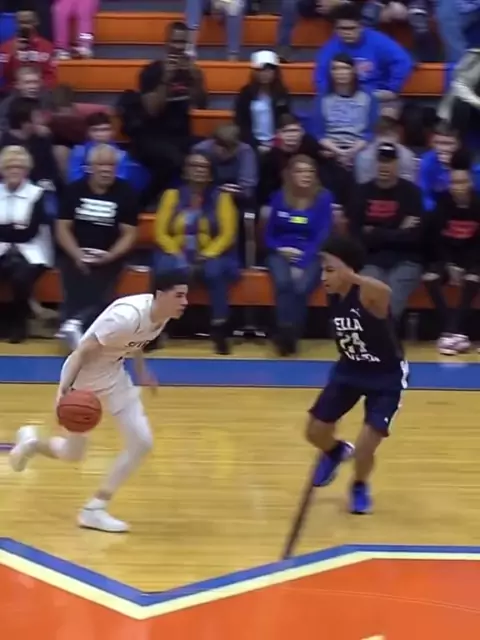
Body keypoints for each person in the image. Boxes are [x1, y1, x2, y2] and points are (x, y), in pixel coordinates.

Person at [9, 271, 189, 533]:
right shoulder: (125, 316)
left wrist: (142, 371)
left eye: (186, 296)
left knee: (141, 442)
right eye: (179, 296)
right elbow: (82, 351)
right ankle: (33, 443)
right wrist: (65, 392)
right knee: (73, 454)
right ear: (160, 295)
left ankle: (94, 509)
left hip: (115, 376)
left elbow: (134, 342)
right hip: (82, 382)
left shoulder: (161, 314)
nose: (185, 302)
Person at [306, 233, 408, 514]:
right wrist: (338, 271)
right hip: (349, 369)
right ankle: (336, 451)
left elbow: (386, 292)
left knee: (365, 448)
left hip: (385, 376)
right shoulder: (333, 294)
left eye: (329, 270)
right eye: (322, 270)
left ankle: (359, 485)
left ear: (348, 270)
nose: (323, 277)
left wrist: (352, 276)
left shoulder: (367, 293)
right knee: (314, 432)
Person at [154, 152, 239, 355]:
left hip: (213, 253)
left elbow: (228, 234)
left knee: (214, 272)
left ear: (210, 174)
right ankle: (156, 328)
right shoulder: (171, 196)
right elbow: (160, 232)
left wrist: (207, 254)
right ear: (186, 171)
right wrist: (177, 253)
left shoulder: (222, 198)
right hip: (176, 250)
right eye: (194, 166)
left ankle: (220, 328)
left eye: (203, 167)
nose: (198, 170)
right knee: (164, 269)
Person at [56, 144, 139, 350]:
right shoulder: (74, 190)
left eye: (111, 165)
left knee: (102, 279)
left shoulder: (126, 192)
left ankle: (75, 323)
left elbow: (129, 233)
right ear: (89, 167)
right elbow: (62, 228)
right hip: (76, 251)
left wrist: (110, 255)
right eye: (101, 165)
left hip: (110, 254)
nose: (106, 170)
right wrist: (77, 254)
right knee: (74, 274)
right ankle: (76, 324)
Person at [348, 142, 424, 327]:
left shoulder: (411, 193)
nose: (384, 166)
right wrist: (398, 230)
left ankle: (380, 339)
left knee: (392, 298)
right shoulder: (361, 192)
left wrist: (375, 232)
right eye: (381, 161)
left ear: (397, 164)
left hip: (406, 259)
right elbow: (356, 235)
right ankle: (377, 339)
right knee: (370, 296)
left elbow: (415, 237)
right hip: (371, 259)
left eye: (389, 162)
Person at [265, 154, 333, 355]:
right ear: (290, 174)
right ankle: (284, 331)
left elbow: (322, 236)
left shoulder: (324, 198)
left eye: (310, 171)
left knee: (301, 287)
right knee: (283, 283)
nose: (306, 175)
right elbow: (268, 235)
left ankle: (292, 334)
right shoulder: (279, 197)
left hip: (312, 253)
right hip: (280, 252)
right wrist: (280, 249)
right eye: (300, 171)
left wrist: (302, 260)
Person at [423, 151, 480, 355]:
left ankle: (450, 332)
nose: (458, 187)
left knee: (473, 278)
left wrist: (465, 267)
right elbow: (436, 240)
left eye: (462, 182)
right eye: (454, 182)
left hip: (473, 259)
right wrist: (449, 265)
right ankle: (454, 332)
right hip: (447, 258)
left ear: (470, 182)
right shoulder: (442, 203)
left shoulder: (478, 204)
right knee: (430, 277)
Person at [0, 145, 53, 342]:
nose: (14, 171)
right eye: (9, 167)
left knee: (20, 277)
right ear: (3, 170)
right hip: (2, 249)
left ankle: (19, 324)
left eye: (19, 167)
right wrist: (14, 227)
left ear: (26, 170)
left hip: (33, 250)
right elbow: (18, 230)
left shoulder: (37, 194)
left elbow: (29, 232)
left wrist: (6, 229)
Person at [235, 50, 291, 152]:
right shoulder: (246, 93)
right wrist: (256, 145)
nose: (265, 74)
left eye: (269, 70)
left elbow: (286, 119)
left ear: (275, 72)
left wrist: (276, 143)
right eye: (260, 70)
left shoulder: (282, 93)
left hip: (277, 145)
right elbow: (241, 122)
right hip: (251, 145)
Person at [0, 3, 56, 90]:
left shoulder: (47, 47)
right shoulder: (5, 47)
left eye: (28, 22)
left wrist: (35, 87)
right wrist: (13, 52)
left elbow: (51, 77)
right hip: (12, 92)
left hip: (40, 92)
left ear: (36, 22)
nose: (24, 26)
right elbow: (2, 75)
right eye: (20, 22)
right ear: (15, 23)